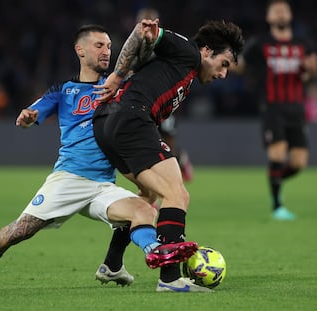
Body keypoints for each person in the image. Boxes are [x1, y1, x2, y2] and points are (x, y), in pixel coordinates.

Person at [0, 24, 203, 294]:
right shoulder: (63, 91)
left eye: (109, 46)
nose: (106, 52)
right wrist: (28, 117)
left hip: (102, 185)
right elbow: (32, 112)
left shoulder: (119, 84)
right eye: (99, 46)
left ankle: (154, 251)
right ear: (80, 50)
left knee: (145, 208)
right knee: (20, 231)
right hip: (69, 179)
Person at [92, 18, 244, 292]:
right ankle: (170, 278)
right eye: (223, 64)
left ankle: (111, 265)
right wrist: (117, 75)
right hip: (132, 117)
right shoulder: (187, 51)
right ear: (207, 51)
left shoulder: (183, 70)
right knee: (177, 195)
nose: (223, 74)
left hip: (109, 123)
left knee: (149, 196)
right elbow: (144, 31)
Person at [231, 0, 317, 220]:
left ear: (289, 16)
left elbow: (310, 73)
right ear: (269, 18)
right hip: (272, 106)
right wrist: (224, 61)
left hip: (297, 108)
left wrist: (311, 70)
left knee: (298, 163)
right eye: (275, 11)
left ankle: (275, 181)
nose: (280, 14)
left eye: (284, 11)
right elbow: (241, 66)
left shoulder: (303, 44)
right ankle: (278, 205)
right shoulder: (260, 44)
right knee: (277, 154)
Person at [135, 8, 194, 182]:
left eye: (149, 23)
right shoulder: (133, 47)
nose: (145, 27)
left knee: (168, 143)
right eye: (141, 23)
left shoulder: (165, 47)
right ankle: (152, 188)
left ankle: (180, 159)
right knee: (147, 145)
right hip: (144, 104)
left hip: (164, 105)